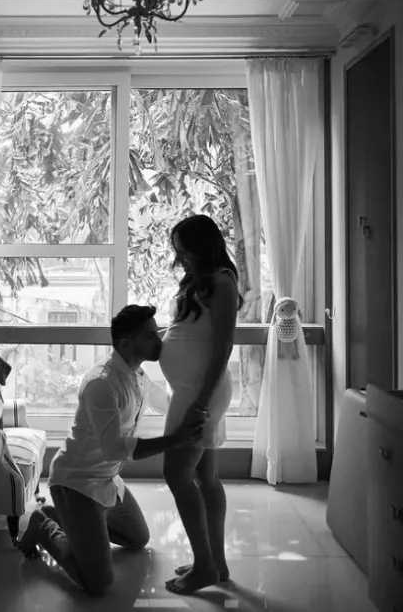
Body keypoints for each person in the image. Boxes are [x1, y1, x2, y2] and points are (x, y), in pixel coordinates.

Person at [17, 304, 204, 597]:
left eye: (157, 332)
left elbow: (164, 402)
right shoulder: (102, 384)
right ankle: (43, 525)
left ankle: (76, 523)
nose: (160, 341)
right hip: (75, 483)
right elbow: (115, 449)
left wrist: (195, 402)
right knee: (99, 584)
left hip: (107, 479)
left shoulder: (137, 373)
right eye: (150, 336)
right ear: (126, 344)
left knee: (138, 538)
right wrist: (175, 440)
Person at [159, 214, 243, 595]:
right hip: (191, 389)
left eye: (185, 250)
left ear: (204, 247)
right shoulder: (199, 282)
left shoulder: (222, 282)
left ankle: (205, 565)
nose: (181, 258)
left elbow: (223, 346)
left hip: (200, 392)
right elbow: (191, 333)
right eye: (177, 250)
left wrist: (201, 404)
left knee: (176, 473)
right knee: (206, 477)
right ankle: (216, 562)